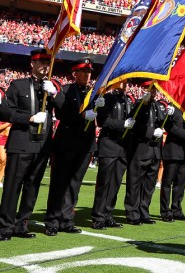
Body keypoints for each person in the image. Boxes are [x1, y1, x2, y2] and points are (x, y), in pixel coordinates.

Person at [0, 48, 57, 241]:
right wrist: (30, 117)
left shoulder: (51, 88)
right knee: (12, 186)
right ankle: (5, 226)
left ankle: (21, 224)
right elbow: (5, 112)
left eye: (47, 62)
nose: (44, 66)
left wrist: (56, 94)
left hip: (41, 147)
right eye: (40, 62)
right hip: (21, 143)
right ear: (31, 64)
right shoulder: (18, 85)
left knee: (32, 187)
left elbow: (66, 111)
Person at [44, 58, 97, 235]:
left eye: (88, 72)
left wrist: (100, 107)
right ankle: (52, 220)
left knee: (74, 184)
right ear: (74, 73)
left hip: (84, 145)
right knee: (59, 183)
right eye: (83, 71)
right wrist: (82, 116)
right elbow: (62, 113)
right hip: (66, 144)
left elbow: (102, 117)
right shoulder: (65, 90)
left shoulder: (93, 93)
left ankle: (67, 219)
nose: (86, 75)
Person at [91, 80, 135, 229]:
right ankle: (98, 216)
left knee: (115, 183)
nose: (124, 84)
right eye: (122, 81)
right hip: (109, 144)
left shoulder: (129, 100)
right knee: (104, 183)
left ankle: (108, 214)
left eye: (126, 82)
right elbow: (102, 121)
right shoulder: (108, 98)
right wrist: (122, 124)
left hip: (123, 147)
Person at [124, 84, 165, 225]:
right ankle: (132, 213)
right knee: (134, 183)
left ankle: (143, 212)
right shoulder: (138, 105)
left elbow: (161, 121)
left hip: (154, 150)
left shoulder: (157, 106)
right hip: (140, 150)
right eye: (150, 89)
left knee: (149, 185)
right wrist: (143, 104)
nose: (153, 92)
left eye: (154, 89)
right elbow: (133, 122)